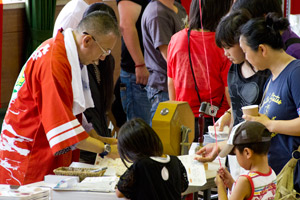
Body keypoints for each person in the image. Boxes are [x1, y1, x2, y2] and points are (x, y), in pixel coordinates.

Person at [0, 12, 119, 185]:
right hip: (30, 153)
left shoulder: (66, 52)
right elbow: (63, 127)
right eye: (104, 51)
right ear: (87, 40)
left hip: (41, 145)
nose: (102, 59)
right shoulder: (53, 61)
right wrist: (106, 149)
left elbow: (72, 113)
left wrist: (102, 139)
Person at [240, 14, 300, 192]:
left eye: (245, 52)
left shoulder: (295, 73)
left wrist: (268, 124)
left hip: (293, 178)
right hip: (277, 177)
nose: (245, 57)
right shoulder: (271, 79)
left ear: (262, 49)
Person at [167, 0, 232, 142]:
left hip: (182, 121)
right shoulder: (224, 45)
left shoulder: (176, 40)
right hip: (218, 123)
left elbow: (171, 82)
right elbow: (230, 91)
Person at [115, 118, 189, 199]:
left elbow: (120, 192)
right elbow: (183, 187)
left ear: (131, 149)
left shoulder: (141, 165)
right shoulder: (175, 161)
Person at [141, 0, 187, 124]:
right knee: (164, 137)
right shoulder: (157, 14)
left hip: (178, 82)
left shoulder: (176, 6)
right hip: (163, 87)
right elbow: (170, 57)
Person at [215, 121, 276, 200]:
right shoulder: (271, 174)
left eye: (236, 154)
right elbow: (249, 193)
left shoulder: (245, 181)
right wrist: (231, 183)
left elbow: (245, 189)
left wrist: (220, 186)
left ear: (247, 152)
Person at [116, 0, 152, 125]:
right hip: (138, 74)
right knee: (142, 132)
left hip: (157, 72)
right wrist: (140, 64)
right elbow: (126, 25)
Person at [231, 0, 300, 59]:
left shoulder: (294, 52)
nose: (243, 31)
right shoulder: (264, 45)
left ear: (264, 18)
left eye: (246, 23)